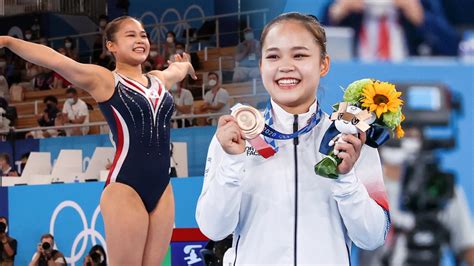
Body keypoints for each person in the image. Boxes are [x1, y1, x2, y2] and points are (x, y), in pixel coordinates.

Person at [0, 15, 196, 265]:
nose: (140, 40)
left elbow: (176, 70)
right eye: (131, 35)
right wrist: (6, 41)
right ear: (111, 45)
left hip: (163, 189)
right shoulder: (105, 80)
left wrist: (185, 65)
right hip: (126, 187)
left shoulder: (159, 79)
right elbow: (54, 60)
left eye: (143, 35)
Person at [196, 12, 390, 264]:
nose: (285, 66)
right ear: (261, 65)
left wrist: (345, 178)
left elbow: (373, 237)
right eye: (273, 56)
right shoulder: (235, 136)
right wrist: (232, 163)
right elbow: (213, 229)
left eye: (299, 55)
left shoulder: (350, 136)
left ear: (323, 64)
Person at [359, 128, 474, 266]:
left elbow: (467, 246)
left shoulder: (439, 186)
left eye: (410, 135)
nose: (402, 139)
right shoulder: (363, 185)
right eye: (397, 133)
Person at [324, 0, 461, 59]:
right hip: (357, 80)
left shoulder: (420, 4)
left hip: (404, 79)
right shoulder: (349, 9)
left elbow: (452, 47)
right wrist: (335, 13)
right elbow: (316, 44)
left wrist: (421, 19)